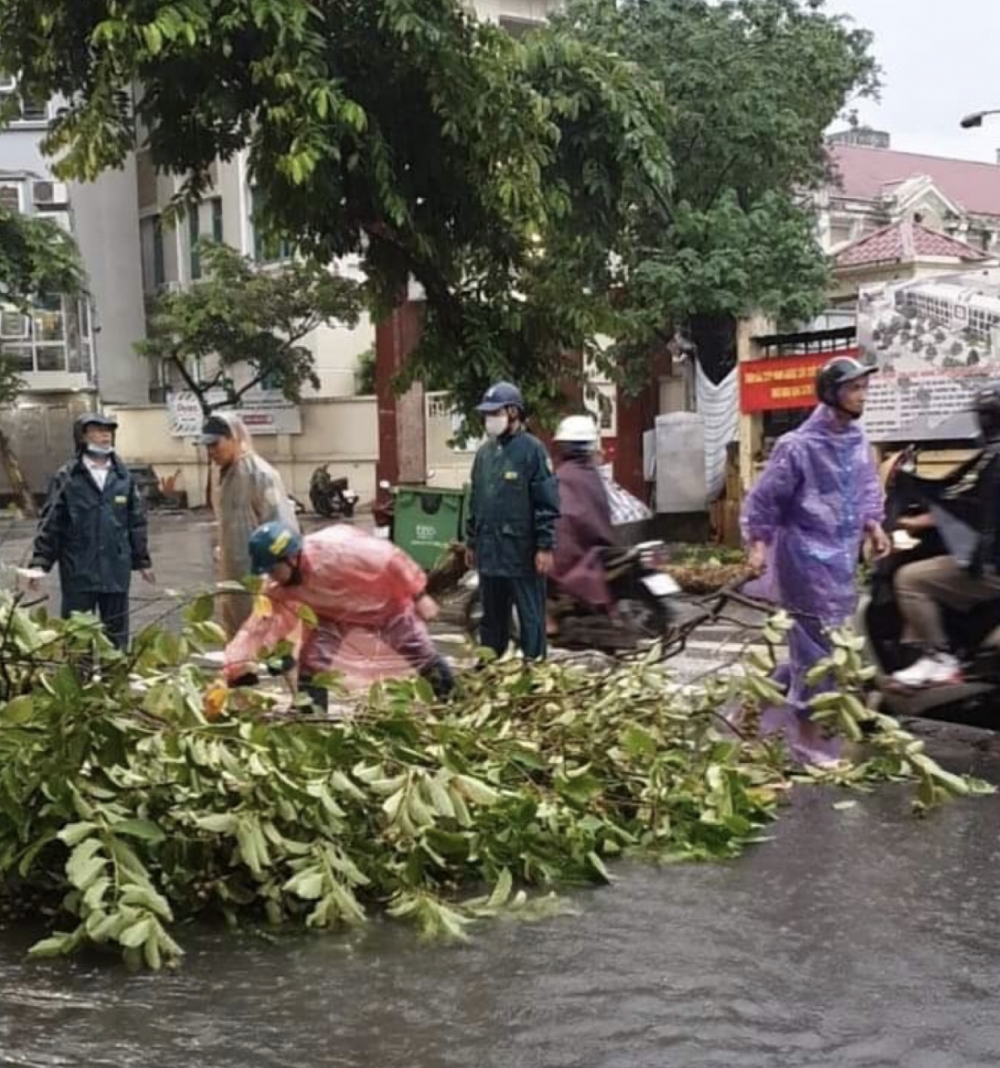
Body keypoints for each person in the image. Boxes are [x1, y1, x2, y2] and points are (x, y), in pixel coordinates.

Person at [740, 356, 890, 765]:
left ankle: (749, 714)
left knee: (818, 648)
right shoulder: (797, 446)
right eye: (854, 388)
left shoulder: (856, 442)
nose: (863, 396)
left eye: (864, 388)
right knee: (816, 654)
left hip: (840, 563)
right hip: (802, 561)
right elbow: (766, 500)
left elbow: (865, 490)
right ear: (831, 393)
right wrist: (758, 544)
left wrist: (874, 526)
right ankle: (810, 746)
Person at [222, 520, 454, 703]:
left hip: (385, 607)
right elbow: (258, 626)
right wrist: (237, 667)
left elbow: (390, 558)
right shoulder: (278, 587)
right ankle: (312, 720)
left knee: (421, 653)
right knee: (312, 665)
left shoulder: (338, 550)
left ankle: (453, 701)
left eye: (274, 569)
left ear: (291, 558)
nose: (271, 576)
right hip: (333, 616)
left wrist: (419, 594)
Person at [890, 385, 1000, 688]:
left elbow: (965, 502)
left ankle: (938, 657)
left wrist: (917, 513)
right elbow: (972, 503)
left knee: (910, 579)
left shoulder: (994, 458)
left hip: (994, 567)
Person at [29, 412, 154, 649]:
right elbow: (52, 522)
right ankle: (79, 673)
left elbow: (135, 521)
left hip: (115, 571)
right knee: (78, 639)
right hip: (79, 570)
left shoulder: (123, 477)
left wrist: (142, 561)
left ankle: (116, 673)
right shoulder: (67, 477)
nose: (105, 435)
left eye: (108, 430)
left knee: (116, 639)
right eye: (97, 430)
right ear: (82, 436)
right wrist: (40, 563)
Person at [465, 381, 560, 659]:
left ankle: (534, 670)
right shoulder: (484, 454)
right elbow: (476, 501)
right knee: (491, 621)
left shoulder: (532, 451)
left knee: (530, 619)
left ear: (513, 412)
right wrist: (471, 542)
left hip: (522, 554)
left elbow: (546, 502)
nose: (489, 419)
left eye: (495, 413)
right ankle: (491, 670)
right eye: (487, 414)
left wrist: (544, 546)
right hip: (489, 554)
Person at [200, 412, 298, 638]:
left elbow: (281, 528)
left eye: (215, 444)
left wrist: (276, 573)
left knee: (265, 634)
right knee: (237, 634)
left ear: (233, 438)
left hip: (259, 575)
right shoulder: (224, 475)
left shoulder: (260, 474)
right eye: (207, 446)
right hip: (232, 572)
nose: (211, 452)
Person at [549, 414, 615, 620]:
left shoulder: (564, 476)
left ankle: (548, 619)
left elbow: (564, 518)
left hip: (577, 549)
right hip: (597, 542)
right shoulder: (591, 474)